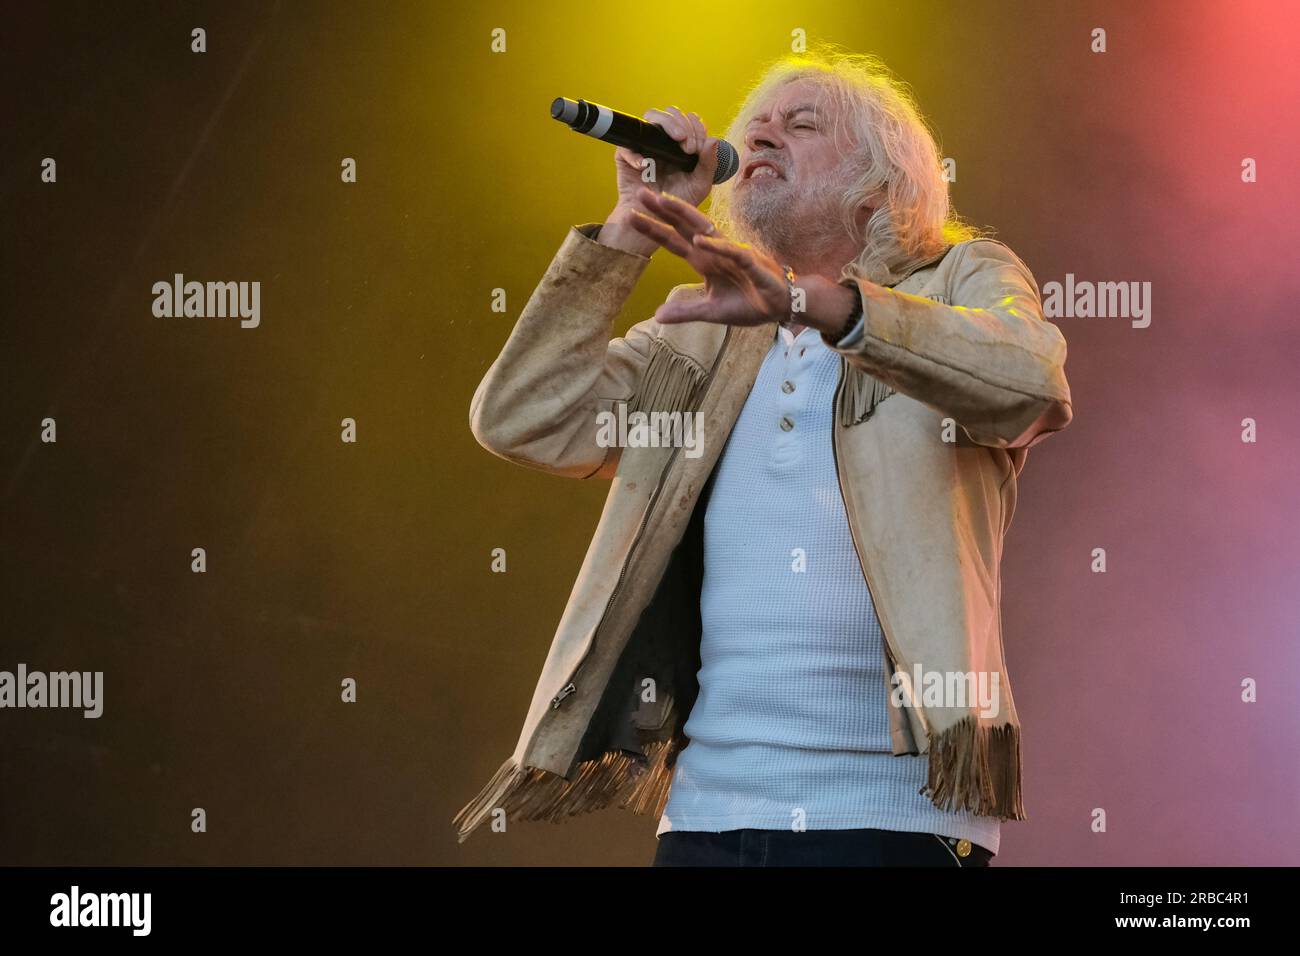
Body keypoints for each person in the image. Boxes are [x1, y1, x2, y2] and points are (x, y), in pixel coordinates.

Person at [453, 46, 1073, 867]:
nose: (763, 139)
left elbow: (1031, 384)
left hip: (890, 820)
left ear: (885, 180)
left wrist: (813, 304)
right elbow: (524, 417)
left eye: (802, 124)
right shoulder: (707, 332)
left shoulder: (961, 277)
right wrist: (627, 229)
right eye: (756, 130)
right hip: (707, 817)